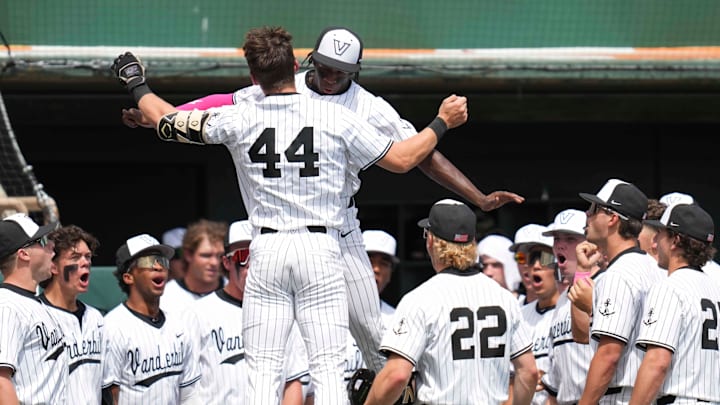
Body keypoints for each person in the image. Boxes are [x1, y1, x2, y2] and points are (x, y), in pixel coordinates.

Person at [120, 25, 524, 376]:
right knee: (280, 349)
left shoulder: (367, 106)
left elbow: (419, 154)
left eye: (342, 72)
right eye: (325, 68)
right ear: (310, 60)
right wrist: (161, 117)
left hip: (336, 228)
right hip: (275, 230)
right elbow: (221, 104)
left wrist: (478, 197)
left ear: (356, 72)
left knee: (370, 331)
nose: (331, 78)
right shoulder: (282, 84)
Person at [362, 199, 537, 405]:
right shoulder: (505, 298)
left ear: (431, 241)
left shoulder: (420, 299)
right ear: (472, 244)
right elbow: (529, 372)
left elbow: (397, 376)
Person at [184, 219, 309, 404]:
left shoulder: (285, 312)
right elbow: (187, 389)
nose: (253, 264)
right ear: (226, 262)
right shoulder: (197, 314)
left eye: (260, 255)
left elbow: (293, 382)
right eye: (244, 256)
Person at [571, 178, 664, 404]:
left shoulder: (618, 275)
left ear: (613, 218)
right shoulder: (653, 268)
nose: (587, 214)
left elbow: (609, 355)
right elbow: (582, 336)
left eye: (594, 209)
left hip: (621, 396)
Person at [630, 202, 720, 404]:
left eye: (661, 233)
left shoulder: (669, 288)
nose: (654, 241)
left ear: (675, 241)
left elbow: (657, 363)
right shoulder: (715, 289)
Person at [102, 233, 201, 404]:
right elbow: (110, 397)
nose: (158, 267)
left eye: (162, 261)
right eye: (148, 262)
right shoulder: (112, 326)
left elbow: (189, 395)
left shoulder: (179, 326)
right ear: (128, 277)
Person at [0, 213, 66, 404]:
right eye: (41, 241)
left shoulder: (33, 302)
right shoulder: (7, 306)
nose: (50, 247)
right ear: (24, 254)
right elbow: (1, 382)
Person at [539, 208, 602, 405]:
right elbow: (556, 384)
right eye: (557, 239)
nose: (560, 246)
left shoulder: (605, 286)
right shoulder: (561, 301)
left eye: (570, 239)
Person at [39, 224, 104, 405]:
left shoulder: (96, 318)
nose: (85, 262)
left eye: (88, 257)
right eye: (75, 257)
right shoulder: (34, 315)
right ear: (53, 266)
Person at [343, 229, 400, 383]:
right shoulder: (328, 311)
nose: (376, 269)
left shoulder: (397, 319)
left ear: (390, 274)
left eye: (384, 263)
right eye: (369, 261)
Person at [514, 226, 558, 405]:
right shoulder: (519, 315)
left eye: (545, 258)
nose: (536, 266)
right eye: (530, 260)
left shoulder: (572, 312)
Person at [160, 218, 227, 311]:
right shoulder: (165, 297)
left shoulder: (238, 292)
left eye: (220, 255)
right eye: (206, 255)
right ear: (188, 255)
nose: (214, 262)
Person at [509, 223, 554, 305]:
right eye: (520, 257)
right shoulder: (512, 310)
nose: (528, 264)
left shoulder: (570, 308)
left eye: (539, 257)